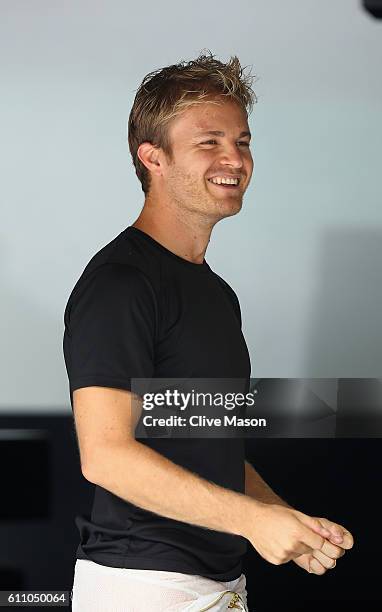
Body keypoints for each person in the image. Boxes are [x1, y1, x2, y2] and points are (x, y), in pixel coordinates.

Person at [63, 50, 354, 611]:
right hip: (143, 589)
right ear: (154, 158)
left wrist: (278, 519)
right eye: (209, 141)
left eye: (242, 141)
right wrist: (252, 522)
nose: (234, 158)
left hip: (219, 588)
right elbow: (105, 455)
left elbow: (206, 443)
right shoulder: (121, 283)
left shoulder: (215, 294)